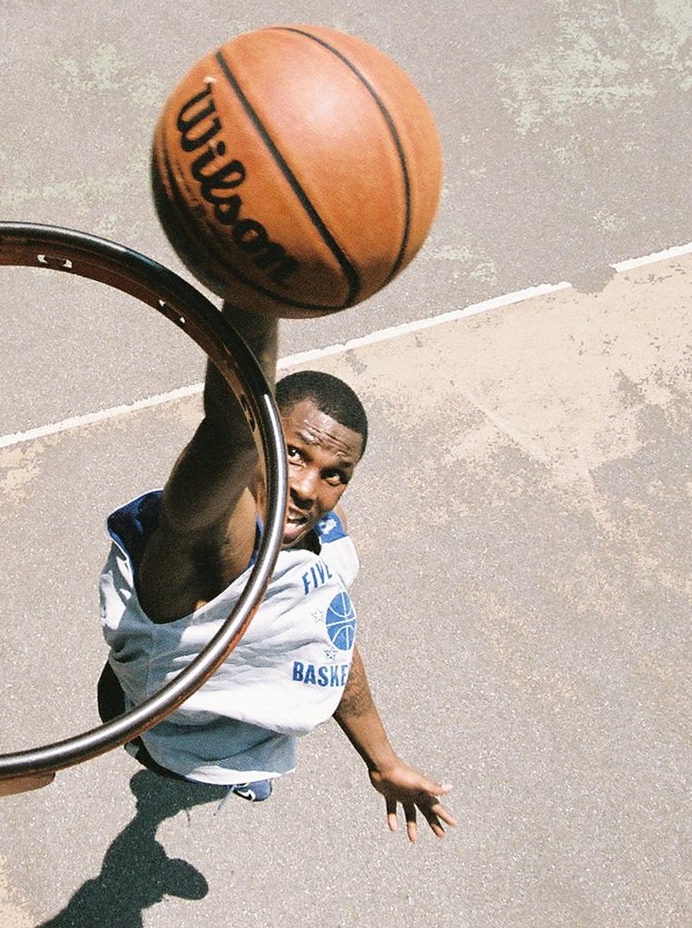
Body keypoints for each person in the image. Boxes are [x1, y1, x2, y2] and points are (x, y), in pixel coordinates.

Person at [98, 302, 455, 842]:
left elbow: (330, 637)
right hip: (175, 742)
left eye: (335, 474)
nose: (310, 489)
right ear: (261, 438)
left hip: (232, 722)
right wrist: (255, 297)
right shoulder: (209, 540)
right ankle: (220, 777)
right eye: (293, 453)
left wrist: (381, 760)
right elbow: (228, 429)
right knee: (193, 776)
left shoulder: (318, 539)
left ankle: (249, 760)